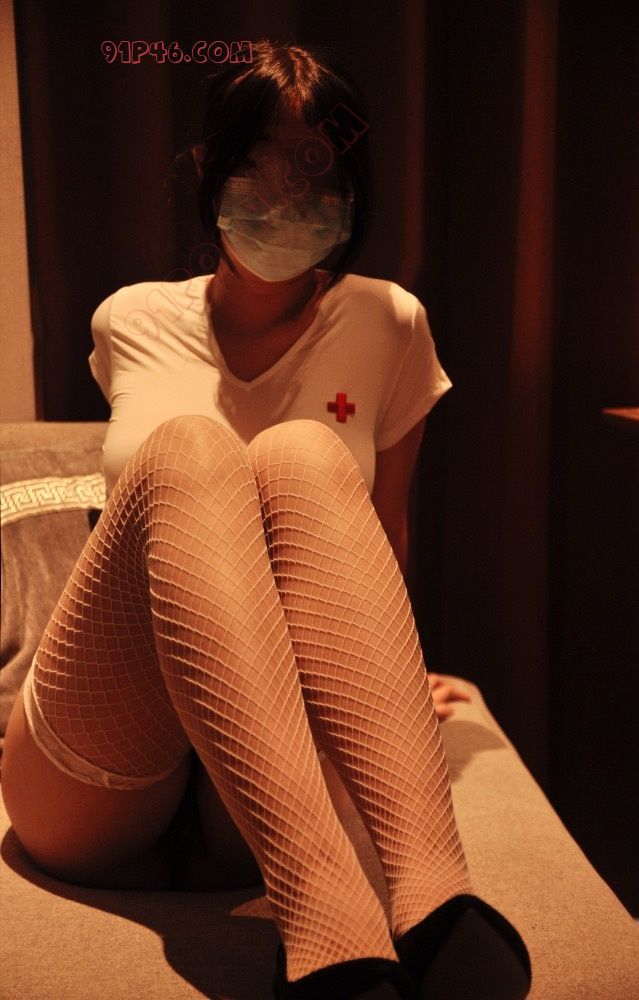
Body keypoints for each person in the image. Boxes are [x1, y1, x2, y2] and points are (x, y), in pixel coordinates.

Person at [2, 40, 532, 1000]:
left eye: (313, 166)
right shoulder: (129, 320)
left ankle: (431, 900)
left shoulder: (389, 323)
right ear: (209, 167)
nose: (287, 192)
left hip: (259, 772)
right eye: (258, 160)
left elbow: (382, 532)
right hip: (96, 764)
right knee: (191, 451)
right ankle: (323, 914)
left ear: (353, 183)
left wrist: (391, 681)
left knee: (301, 455)